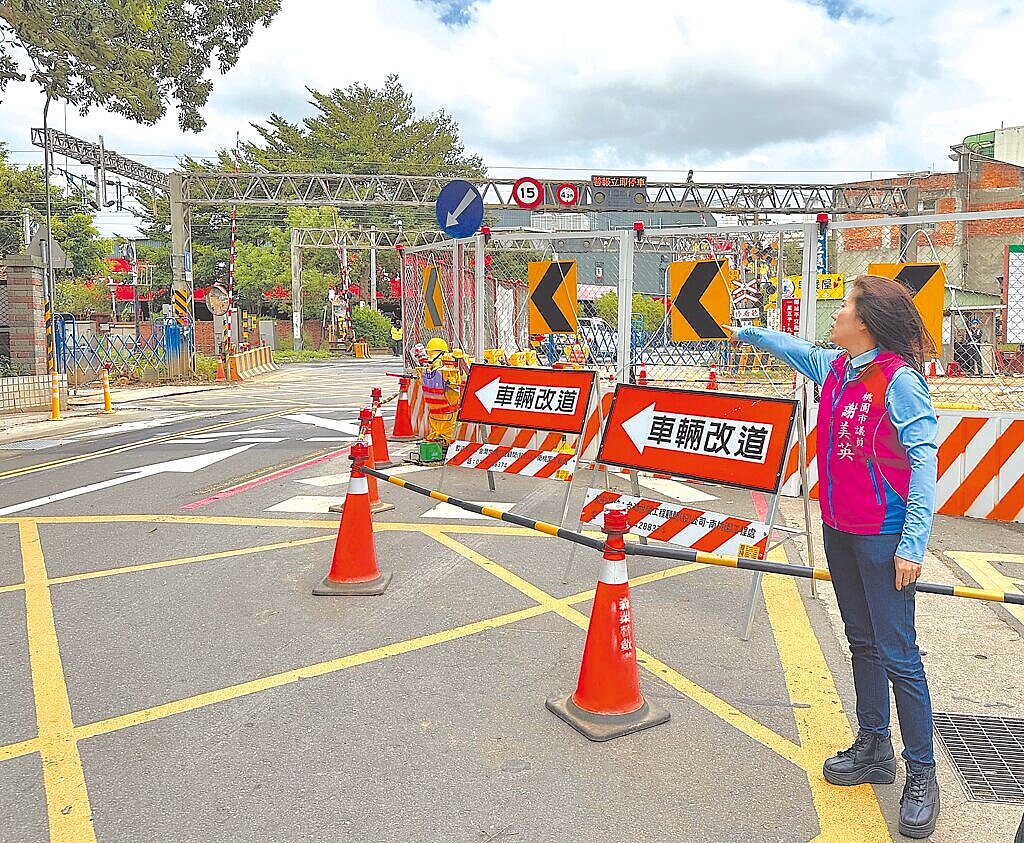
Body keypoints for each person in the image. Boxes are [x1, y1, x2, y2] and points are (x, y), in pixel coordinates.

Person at [724, 274, 940, 840]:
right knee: (861, 642)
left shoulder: (899, 381)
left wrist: (913, 544)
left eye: (844, 307)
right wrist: (749, 333)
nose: (836, 314)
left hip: (884, 537)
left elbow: (924, 461)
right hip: (840, 530)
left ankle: (922, 773)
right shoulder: (838, 368)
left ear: (865, 322)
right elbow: (796, 350)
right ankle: (874, 746)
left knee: (899, 653)